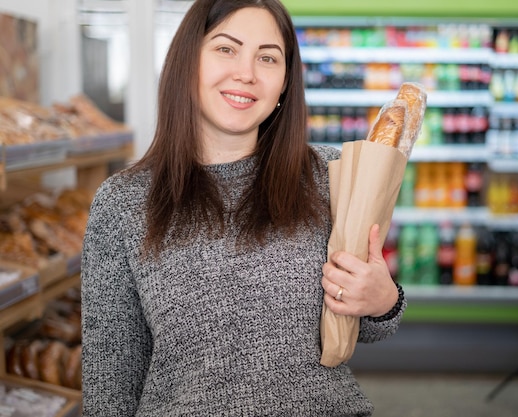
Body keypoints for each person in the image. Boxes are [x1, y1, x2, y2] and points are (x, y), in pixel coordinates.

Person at [80, 0, 405, 415]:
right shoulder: (124, 202)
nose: (246, 74)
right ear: (188, 60)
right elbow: (110, 378)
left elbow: (371, 325)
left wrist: (384, 301)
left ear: (286, 81)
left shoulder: (331, 176)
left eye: (268, 58)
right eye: (225, 49)